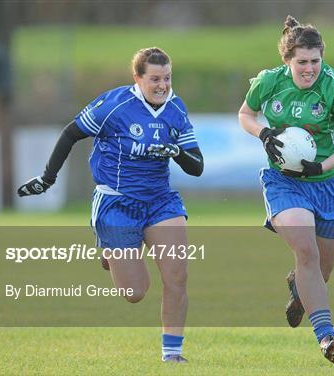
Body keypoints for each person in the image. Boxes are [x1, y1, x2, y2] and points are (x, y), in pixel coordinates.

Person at [17, 47, 204, 363]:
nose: (163, 85)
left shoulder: (176, 108)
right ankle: (111, 249)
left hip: (161, 202)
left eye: (168, 78)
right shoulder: (115, 105)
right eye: (155, 79)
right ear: (138, 78)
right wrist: (47, 179)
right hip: (117, 203)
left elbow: (196, 166)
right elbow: (70, 134)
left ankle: (172, 354)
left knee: (177, 276)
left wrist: (176, 152)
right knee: (135, 293)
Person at [238, 16, 334, 363]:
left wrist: (321, 166)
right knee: (306, 251)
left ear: (322, 57)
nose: (309, 69)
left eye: (315, 61)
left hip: (327, 184)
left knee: (320, 272)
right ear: (287, 61)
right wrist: (263, 133)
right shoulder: (269, 82)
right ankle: (327, 338)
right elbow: (246, 114)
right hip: (284, 181)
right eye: (301, 62)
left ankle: (299, 290)